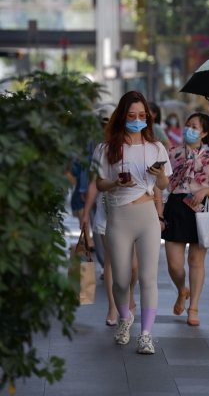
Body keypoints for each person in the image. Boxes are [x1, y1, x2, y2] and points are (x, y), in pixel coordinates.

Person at [96, 91, 172, 354]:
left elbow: (163, 185)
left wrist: (160, 173)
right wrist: (116, 182)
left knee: (149, 278)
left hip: (147, 215)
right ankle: (125, 319)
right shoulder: (106, 149)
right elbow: (99, 184)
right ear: (122, 117)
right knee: (121, 279)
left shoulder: (157, 147)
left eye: (142, 115)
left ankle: (146, 334)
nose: (138, 120)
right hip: (118, 216)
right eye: (132, 115)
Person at [162, 113, 209, 326]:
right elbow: (162, 182)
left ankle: (193, 307)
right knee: (173, 264)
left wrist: (206, 190)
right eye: (187, 125)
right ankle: (181, 290)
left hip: (200, 209)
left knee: (196, 262)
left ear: (204, 133)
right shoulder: (171, 153)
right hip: (176, 207)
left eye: (194, 126)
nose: (189, 129)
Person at [80, 105, 138, 325]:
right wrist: (86, 214)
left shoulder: (140, 146)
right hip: (108, 210)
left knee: (133, 265)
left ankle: (130, 296)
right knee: (113, 261)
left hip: (134, 210)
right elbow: (95, 183)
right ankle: (113, 307)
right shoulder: (103, 148)